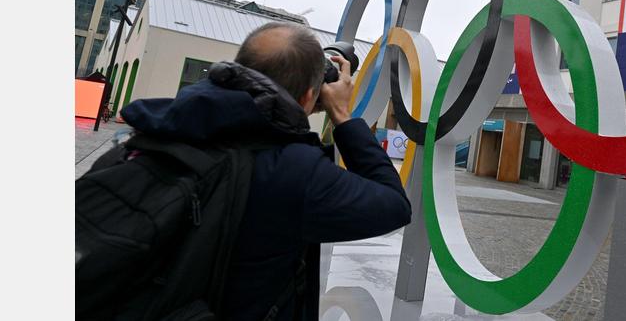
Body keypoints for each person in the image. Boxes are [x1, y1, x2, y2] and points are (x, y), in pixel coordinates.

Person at [119, 21, 412, 320]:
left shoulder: (155, 128)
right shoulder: (295, 171)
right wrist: (342, 116)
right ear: (309, 97)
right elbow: (394, 206)